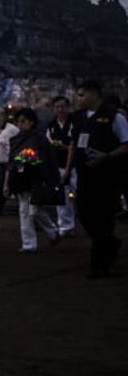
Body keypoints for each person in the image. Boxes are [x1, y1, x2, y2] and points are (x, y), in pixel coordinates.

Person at [64, 80, 128, 278]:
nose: (79, 98)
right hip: (85, 175)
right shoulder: (79, 118)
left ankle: (101, 264)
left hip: (107, 176)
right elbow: (73, 144)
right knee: (84, 213)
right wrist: (67, 170)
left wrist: (106, 156)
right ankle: (109, 244)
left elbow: (126, 145)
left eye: (82, 95)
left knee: (104, 217)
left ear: (94, 94)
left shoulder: (114, 117)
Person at [3, 108, 60, 253]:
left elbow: (47, 159)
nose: (20, 124)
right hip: (21, 179)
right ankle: (41, 237)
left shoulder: (40, 139)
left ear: (31, 122)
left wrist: (35, 164)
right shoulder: (15, 139)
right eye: (18, 121)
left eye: (23, 121)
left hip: (36, 179)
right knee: (28, 210)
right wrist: (7, 181)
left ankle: (42, 237)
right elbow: (11, 162)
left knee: (31, 210)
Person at [46, 95, 77, 236]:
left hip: (75, 164)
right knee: (61, 196)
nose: (60, 109)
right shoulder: (51, 126)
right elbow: (48, 142)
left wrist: (64, 146)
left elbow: (74, 145)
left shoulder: (74, 123)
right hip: (57, 164)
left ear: (68, 107)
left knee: (76, 193)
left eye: (62, 106)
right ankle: (64, 225)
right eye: (57, 107)